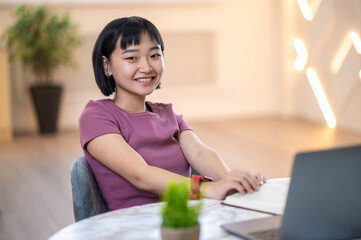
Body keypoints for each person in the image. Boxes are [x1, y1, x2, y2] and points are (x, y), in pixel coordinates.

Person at [79, 16, 266, 211]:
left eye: (154, 55)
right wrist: (208, 188)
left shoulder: (169, 115)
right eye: (132, 58)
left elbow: (201, 153)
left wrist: (231, 181)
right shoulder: (96, 116)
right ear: (106, 65)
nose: (146, 67)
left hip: (185, 219)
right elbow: (140, 175)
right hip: (134, 226)